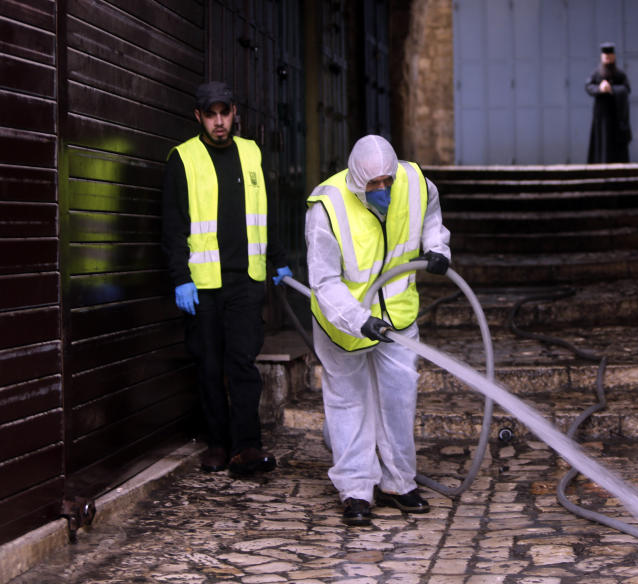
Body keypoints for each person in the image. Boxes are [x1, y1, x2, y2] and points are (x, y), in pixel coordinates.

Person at [304, 134, 451, 527]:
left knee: (399, 401)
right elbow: (324, 281)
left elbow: (432, 218)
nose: (383, 189)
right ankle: (355, 490)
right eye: (374, 185)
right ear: (355, 181)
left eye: (388, 181)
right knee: (349, 404)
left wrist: (437, 247)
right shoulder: (328, 207)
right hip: (344, 325)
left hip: (398, 318)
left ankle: (398, 482)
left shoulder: (416, 184)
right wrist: (359, 319)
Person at [161, 81, 292, 476]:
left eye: (225, 113)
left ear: (235, 112)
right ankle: (217, 444)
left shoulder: (251, 153)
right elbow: (172, 225)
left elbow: (267, 210)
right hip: (202, 286)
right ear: (198, 116)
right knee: (209, 365)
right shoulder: (182, 159)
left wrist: (278, 258)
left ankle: (247, 447)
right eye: (211, 114)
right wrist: (180, 276)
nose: (219, 122)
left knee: (242, 365)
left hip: (246, 281)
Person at [585, 42, 632, 163]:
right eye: (605, 56)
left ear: (614, 57)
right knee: (602, 140)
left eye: (610, 56)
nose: (608, 58)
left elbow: (626, 89)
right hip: (601, 116)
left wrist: (612, 89)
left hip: (617, 114)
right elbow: (589, 86)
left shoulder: (620, 74)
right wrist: (600, 88)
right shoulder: (597, 73)